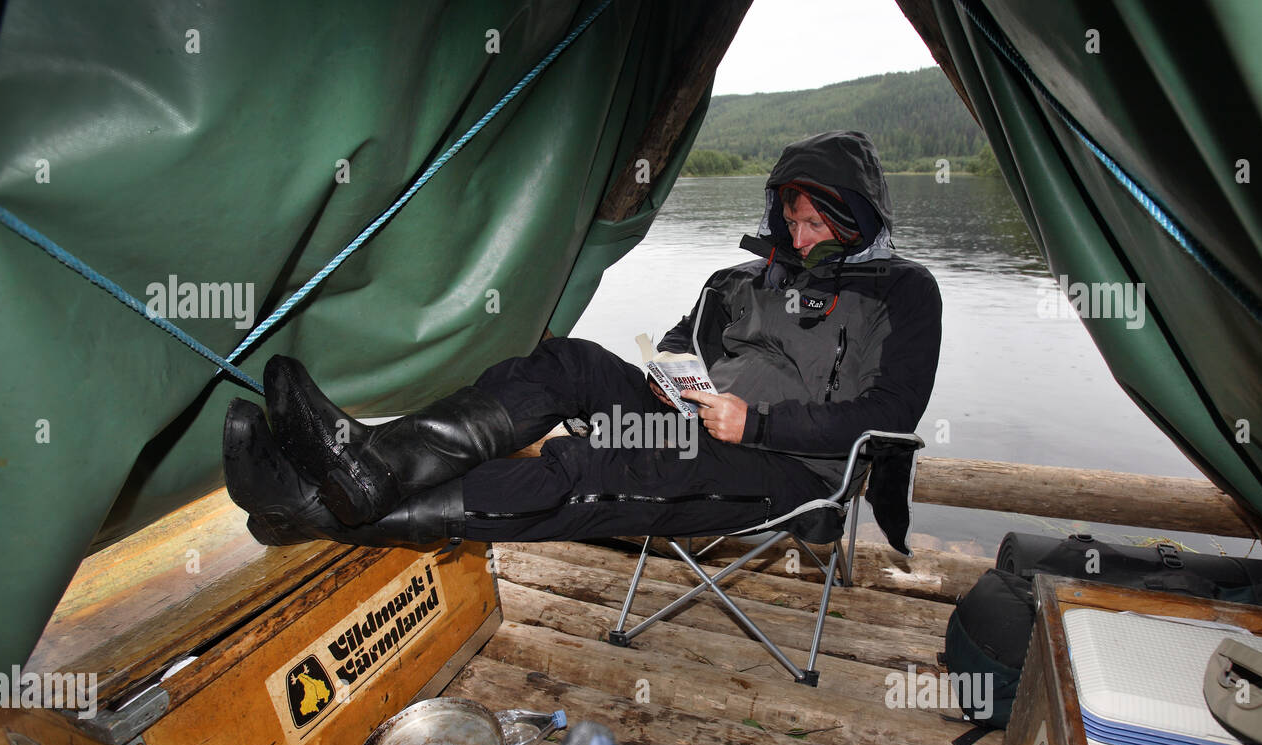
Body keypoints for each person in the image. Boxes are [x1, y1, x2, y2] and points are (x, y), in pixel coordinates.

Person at [222, 131, 942, 550]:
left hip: (794, 474)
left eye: (818, 221)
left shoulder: (905, 292)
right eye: (793, 217)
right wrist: (673, 377)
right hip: (691, 423)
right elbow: (678, 341)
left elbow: (891, 413)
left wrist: (757, 424)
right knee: (570, 362)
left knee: (601, 465)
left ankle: (312, 512)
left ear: (855, 220)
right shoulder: (739, 279)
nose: (799, 233)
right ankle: (376, 462)